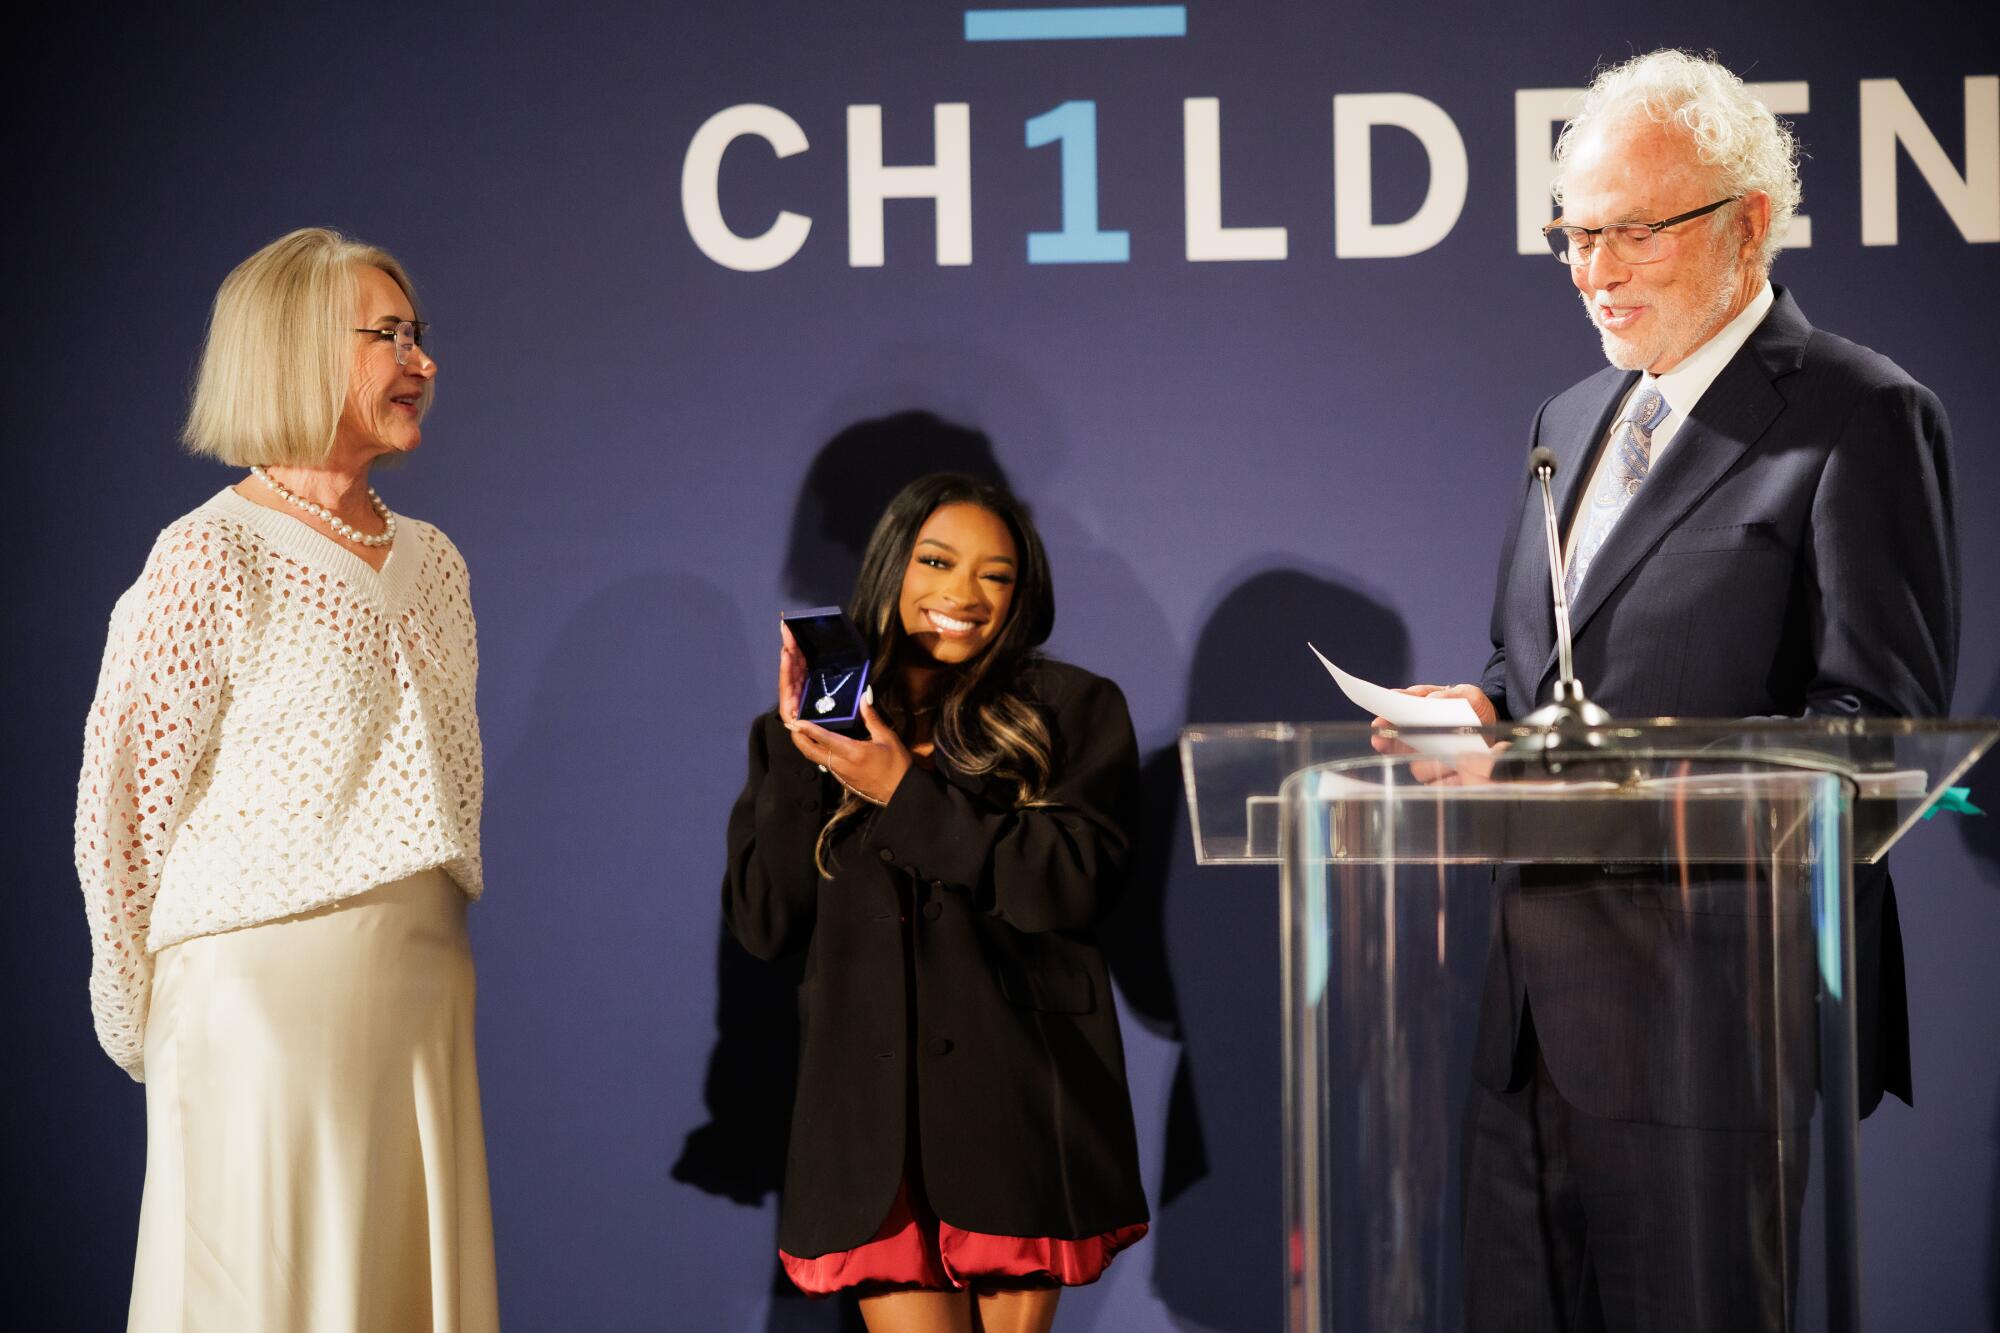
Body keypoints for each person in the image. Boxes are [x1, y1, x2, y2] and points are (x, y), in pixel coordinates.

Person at [1381, 50, 1958, 1330]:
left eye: (1629, 232)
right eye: (1570, 235)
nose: (1591, 272)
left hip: (1710, 1027)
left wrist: (1552, 772)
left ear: (1746, 223)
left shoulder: (1858, 414)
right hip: (1525, 1027)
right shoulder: (1570, 410)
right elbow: (1540, 674)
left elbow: (1875, 744)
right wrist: (1484, 719)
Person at [74, 227, 499, 1331]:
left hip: (418, 989)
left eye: (422, 336)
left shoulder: (438, 562)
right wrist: (144, 1018)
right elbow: (121, 811)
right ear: (298, 350)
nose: (423, 362)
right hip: (259, 1003)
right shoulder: (209, 555)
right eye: (390, 336)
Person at [724, 473, 1149, 1333]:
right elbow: (767, 922)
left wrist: (903, 790)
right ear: (893, 568)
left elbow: (1073, 884)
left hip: (1022, 1111)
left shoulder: (1070, 710)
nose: (963, 594)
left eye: (996, 575)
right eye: (937, 560)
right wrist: (815, 758)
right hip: (876, 1138)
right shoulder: (793, 738)